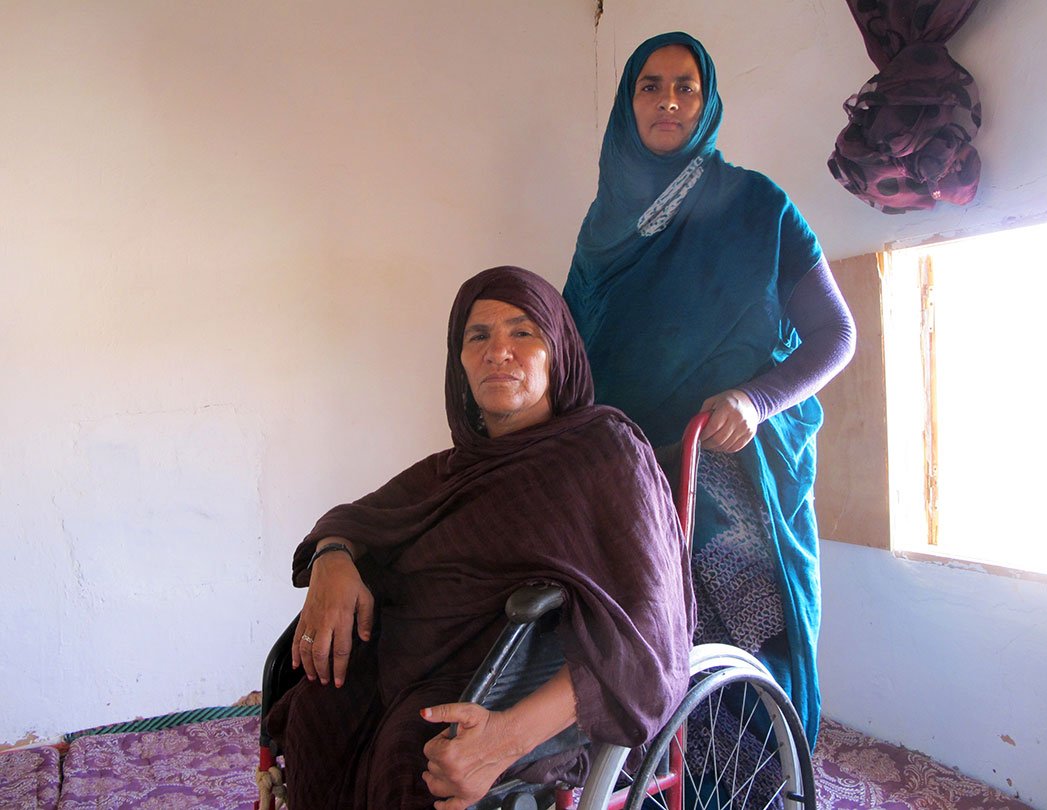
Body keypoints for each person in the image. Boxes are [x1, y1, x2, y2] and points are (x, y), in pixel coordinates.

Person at [266, 265, 695, 810]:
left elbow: (653, 630)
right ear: (460, 362)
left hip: (526, 683)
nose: (498, 352)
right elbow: (354, 519)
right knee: (317, 716)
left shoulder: (606, 451)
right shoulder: (453, 469)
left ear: (558, 352)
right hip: (409, 662)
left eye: (523, 332)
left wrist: (508, 737)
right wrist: (332, 559)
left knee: (417, 758)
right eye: (478, 336)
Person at [563, 31, 856, 756]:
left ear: (707, 102)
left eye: (685, 87)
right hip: (629, 466)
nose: (668, 101)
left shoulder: (758, 205)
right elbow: (573, 352)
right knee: (625, 627)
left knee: (738, 618)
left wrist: (756, 402)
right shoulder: (601, 230)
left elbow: (836, 334)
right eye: (650, 86)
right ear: (627, 103)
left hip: (726, 455)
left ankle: (760, 781)